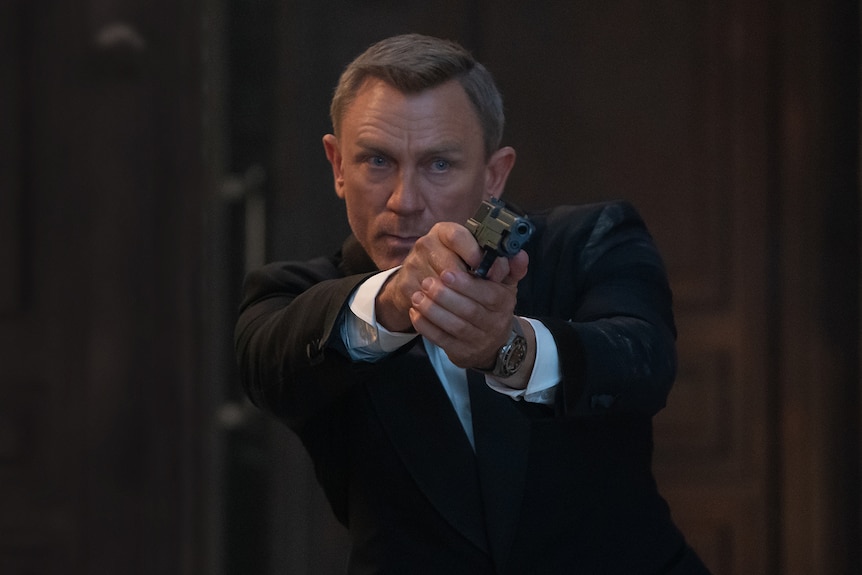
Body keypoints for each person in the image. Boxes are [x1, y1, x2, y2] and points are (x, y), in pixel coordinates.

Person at [235, 33, 710, 574]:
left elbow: (643, 363)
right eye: (377, 162)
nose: (404, 201)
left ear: (494, 175)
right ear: (337, 165)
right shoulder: (292, 294)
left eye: (439, 165)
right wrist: (393, 300)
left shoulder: (590, 239)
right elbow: (267, 364)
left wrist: (511, 349)